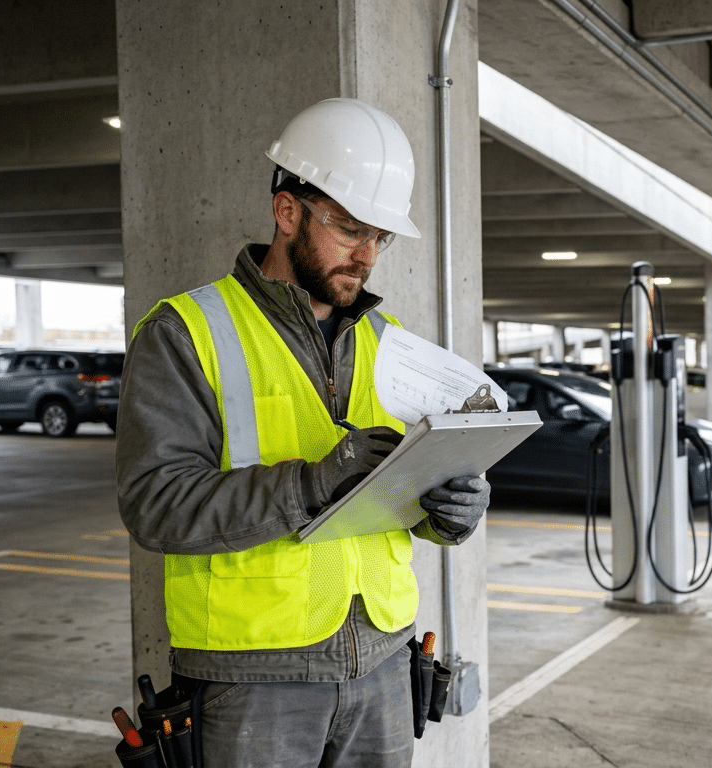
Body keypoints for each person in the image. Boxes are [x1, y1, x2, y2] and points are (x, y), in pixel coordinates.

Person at [115, 97, 489, 767]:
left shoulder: (391, 342)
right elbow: (156, 504)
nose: (368, 254)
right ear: (287, 211)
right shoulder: (185, 332)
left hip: (381, 657)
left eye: (380, 236)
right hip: (252, 677)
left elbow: (399, 491)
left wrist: (449, 512)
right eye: (350, 228)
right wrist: (311, 483)